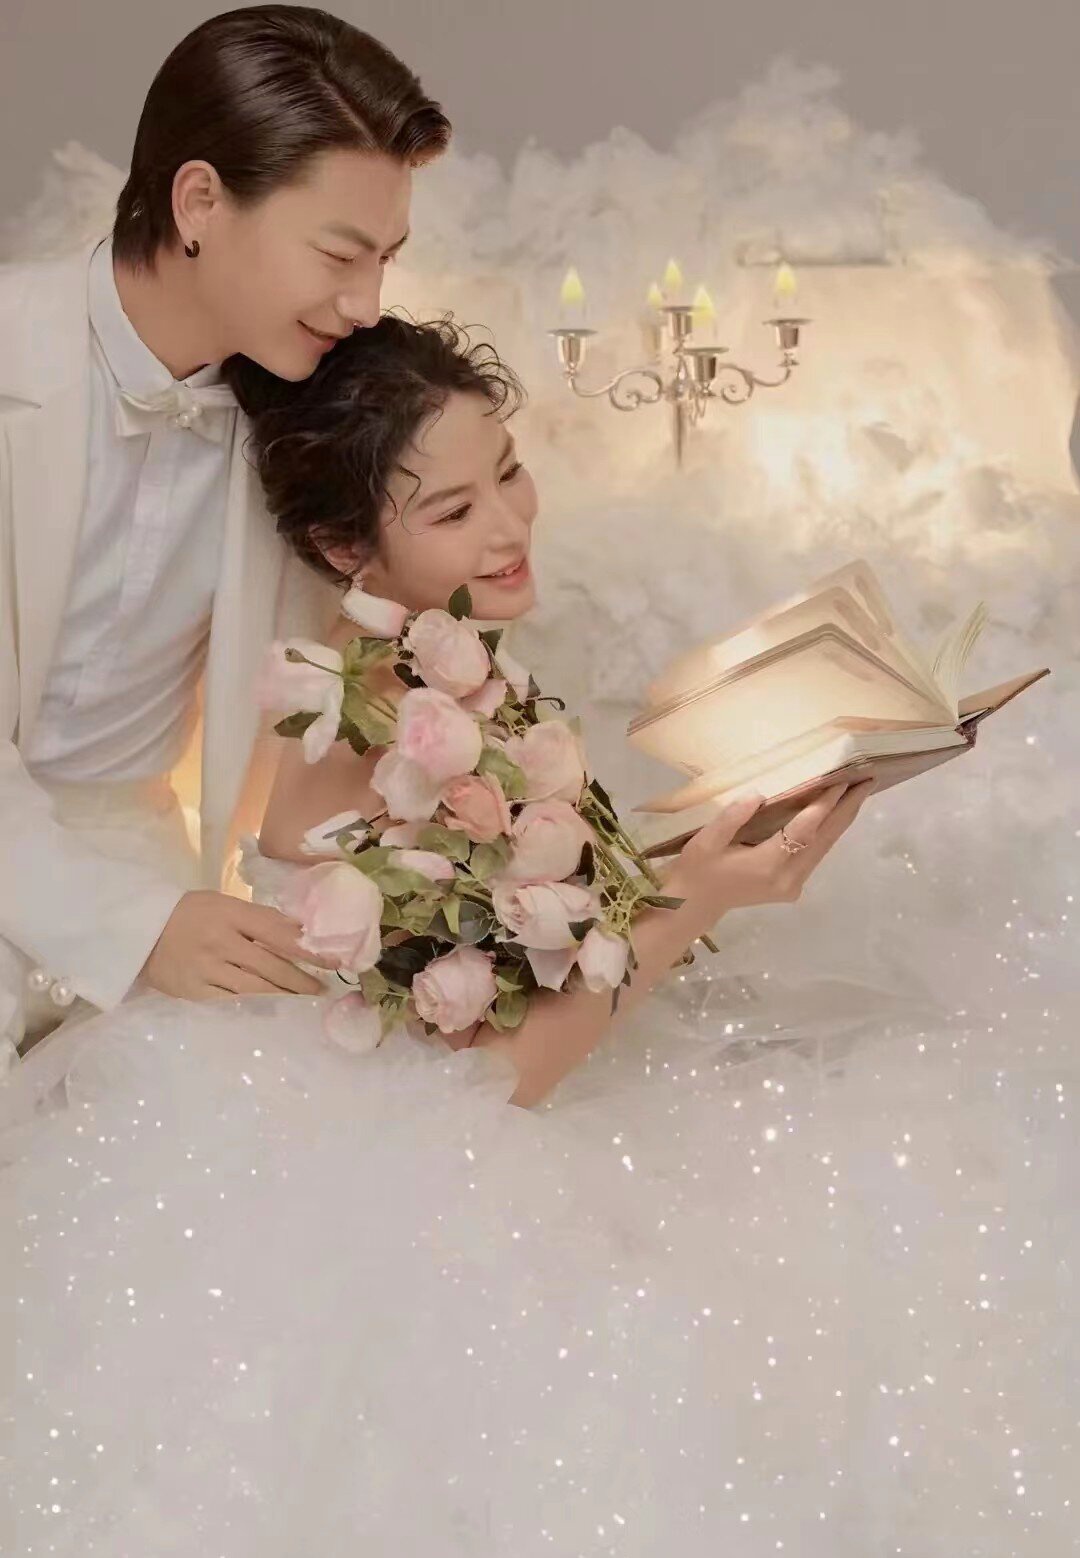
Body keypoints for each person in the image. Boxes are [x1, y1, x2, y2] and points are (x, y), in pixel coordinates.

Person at [6, 317, 1075, 1555]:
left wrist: (707, 855)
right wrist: (705, 896)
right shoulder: (383, 720)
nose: (510, 524)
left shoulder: (436, 665)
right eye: (455, 510)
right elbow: (492, 1081)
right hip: (383, 1147)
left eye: (509, 470)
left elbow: (540, 934)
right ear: (347, 548)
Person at [0, 6, 449, 1060]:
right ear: (199, 201)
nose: (365, 303)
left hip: (163, 879)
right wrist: (133, 926)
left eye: (386, 259)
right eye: (338, 254)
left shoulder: (315, 417)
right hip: (108, 902)